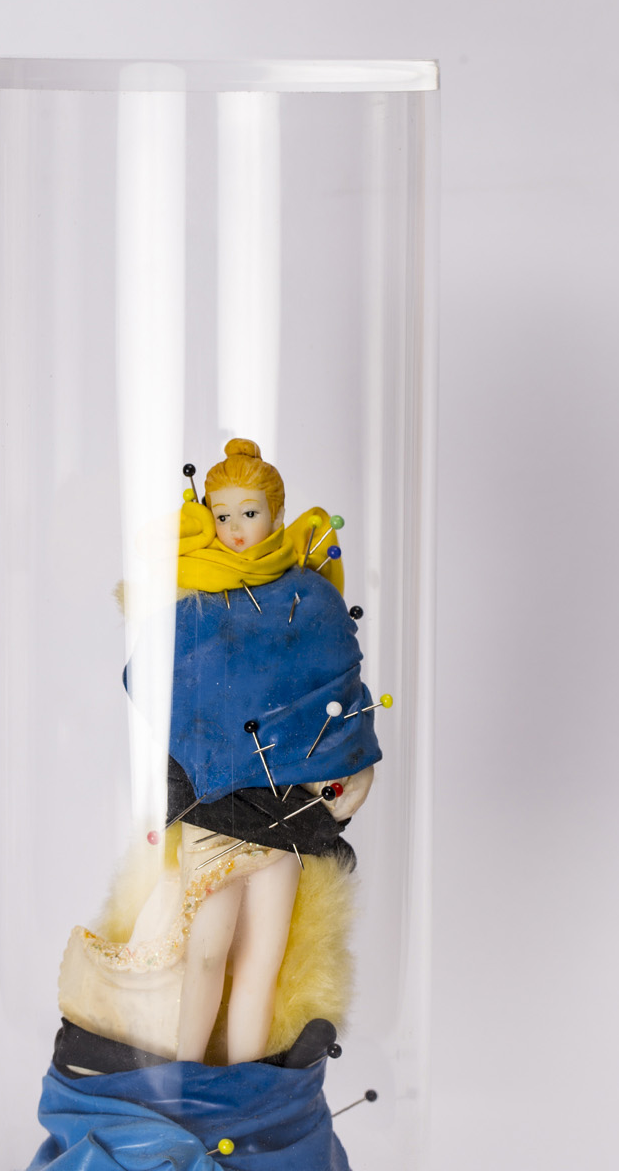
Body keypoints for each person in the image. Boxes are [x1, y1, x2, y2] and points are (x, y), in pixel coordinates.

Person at [58, 438, 381, 1065]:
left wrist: (349, 765)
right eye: (223, 514)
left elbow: (340, 685)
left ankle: (246, 1082)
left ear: (277, 515)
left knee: (262, 957)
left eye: (249, 513)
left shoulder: (311, 599)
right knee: (206, 951)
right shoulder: (193, 602)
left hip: (286, 805)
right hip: (215, 802)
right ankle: (187, 1076)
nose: (235, 529)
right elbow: (150, 677)